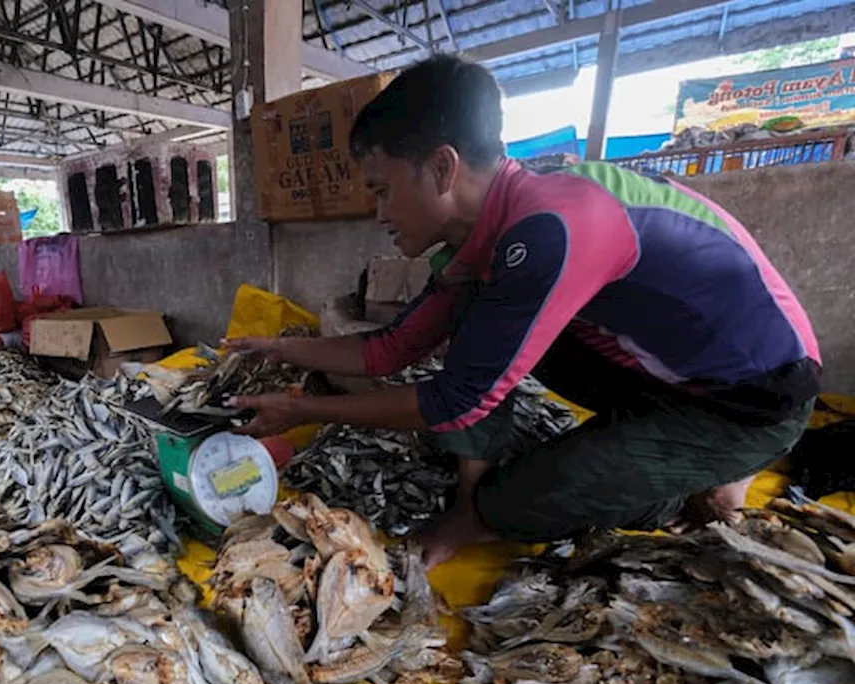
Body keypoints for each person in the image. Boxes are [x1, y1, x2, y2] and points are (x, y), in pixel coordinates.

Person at [227, 56, 820, 572]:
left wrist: (302, 410)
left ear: (441, 168)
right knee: (483, 323)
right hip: (661, 371)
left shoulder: (550, 229)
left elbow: (456, 400)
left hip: (752, 401)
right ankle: (547, 478)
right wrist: (277, 348)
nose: (378, 211)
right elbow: (389, 350)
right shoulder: (482, 240)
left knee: (515, 506)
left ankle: (708, 470)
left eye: (382, 189)